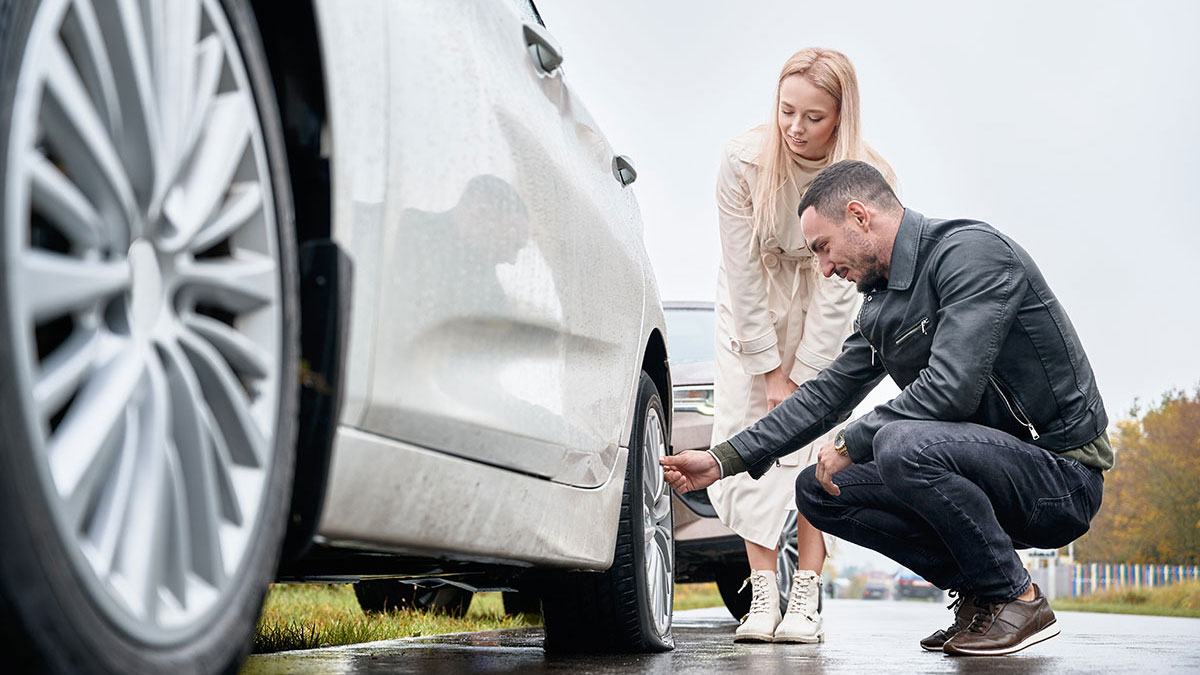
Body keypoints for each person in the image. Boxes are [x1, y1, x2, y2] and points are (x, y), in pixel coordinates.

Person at [663, 160, 1111, 657]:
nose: (825, 268)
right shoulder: (881, 306)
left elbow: (950, 388)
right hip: (981, 470)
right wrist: (724, 459)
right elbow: (825, 395)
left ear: (859, 216)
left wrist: (850, 440)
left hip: (1060, 477)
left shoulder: (973, 255)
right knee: (818, 490)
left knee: (900, 443)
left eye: (823, 248)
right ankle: (982, 593)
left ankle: (1017, 598)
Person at [707, 47, 895, 644]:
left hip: (826, 294)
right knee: (746, 437)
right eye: (787, 111)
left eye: (813, 117)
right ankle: (762, 593)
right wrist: (766, 369)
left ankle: (807, 592)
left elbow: (846, 286)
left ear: (839, 118)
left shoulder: (867, 174)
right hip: (753, 301)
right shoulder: (742, 160)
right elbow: (740, 269)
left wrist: (805, 378)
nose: (795, 128)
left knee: (813, 440)